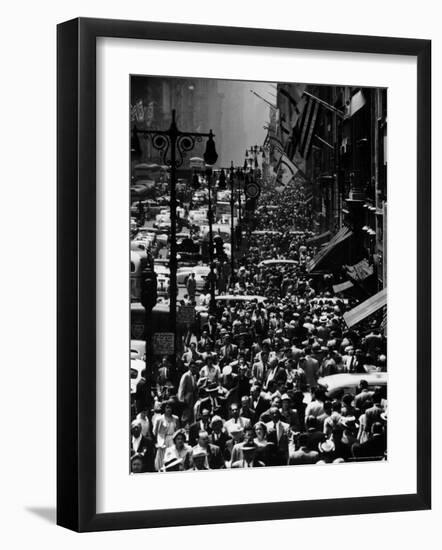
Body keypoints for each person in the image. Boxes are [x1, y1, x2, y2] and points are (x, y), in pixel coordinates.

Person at [152, 400, 180, 471]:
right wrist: (157, 442)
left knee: (173, 457)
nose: (169, 409)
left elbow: (178, 431)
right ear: (164, 408)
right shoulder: (159, 419)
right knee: (162, 458)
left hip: (173, 440)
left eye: (170, 408)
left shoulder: (176, 418)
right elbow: (155, 432)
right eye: (167, 407)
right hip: (163, 441)